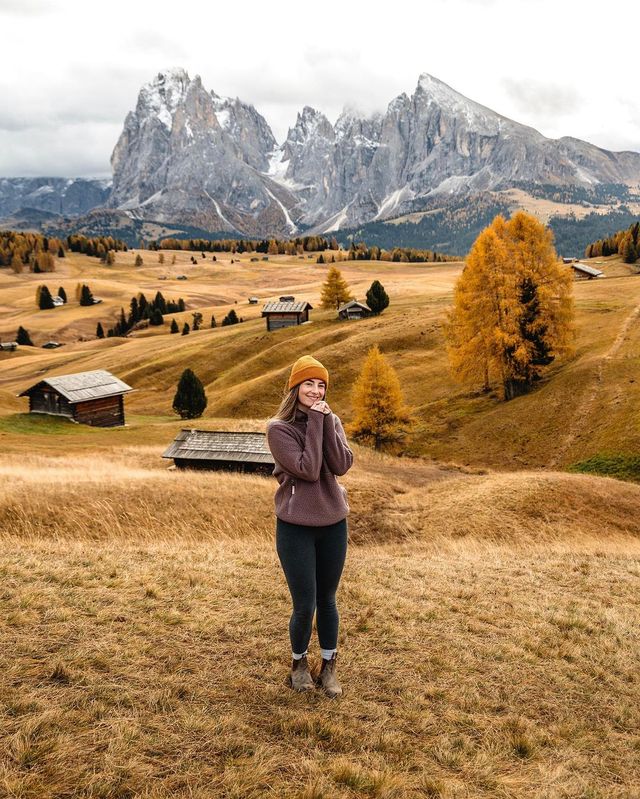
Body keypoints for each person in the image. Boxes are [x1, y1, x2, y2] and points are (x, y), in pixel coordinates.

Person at [266, 355, 353, 697]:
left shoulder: (330, 420)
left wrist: (328, 423)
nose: (315, 391)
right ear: (295, 387)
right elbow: (308, 467)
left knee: (328, 599)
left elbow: (341, 464)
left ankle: (329, 668)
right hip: (296, 526)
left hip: (333, 523)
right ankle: (299, 665)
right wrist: (318, 422)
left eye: (321, 385)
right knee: (305, 604)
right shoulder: (279, 429)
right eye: (308, 384)